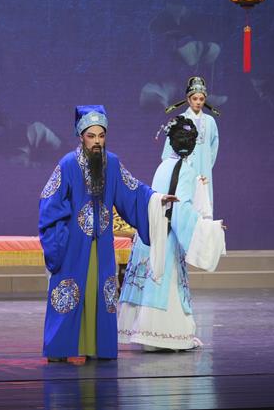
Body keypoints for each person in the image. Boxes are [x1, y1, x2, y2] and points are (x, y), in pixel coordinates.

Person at [39, 105, 178, 361]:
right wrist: (59, 238)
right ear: (81, 136)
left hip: (102, 244)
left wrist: (156, 199)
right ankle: (63, 348)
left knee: (101, 292)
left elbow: (133, 190)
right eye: (91, 136)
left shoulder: (111, 163)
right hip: (74, 245)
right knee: (71, 292)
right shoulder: (68, 164)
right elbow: (50, 201)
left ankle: (96, 347)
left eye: (101, 136)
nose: (97, 142)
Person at [118, 115, 226, 351]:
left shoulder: (163, 166)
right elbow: (181, 209)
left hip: (152, 231)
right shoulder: (185, 170)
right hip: (167, 234)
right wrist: (209, 227)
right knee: (168, 280)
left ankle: (148, 335)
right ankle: (166, 336)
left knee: (151, 279)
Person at [162, 77, 219, 211]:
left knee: (203, 206)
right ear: (188, 99)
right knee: (185, 202)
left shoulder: (210, 121)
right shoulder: (180, 120)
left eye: (201, 99)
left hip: (204, 169)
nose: (198, 102)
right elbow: (168, 149)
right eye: (195, 98)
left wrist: (206, 165)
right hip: (184, 169)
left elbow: (213, 147)